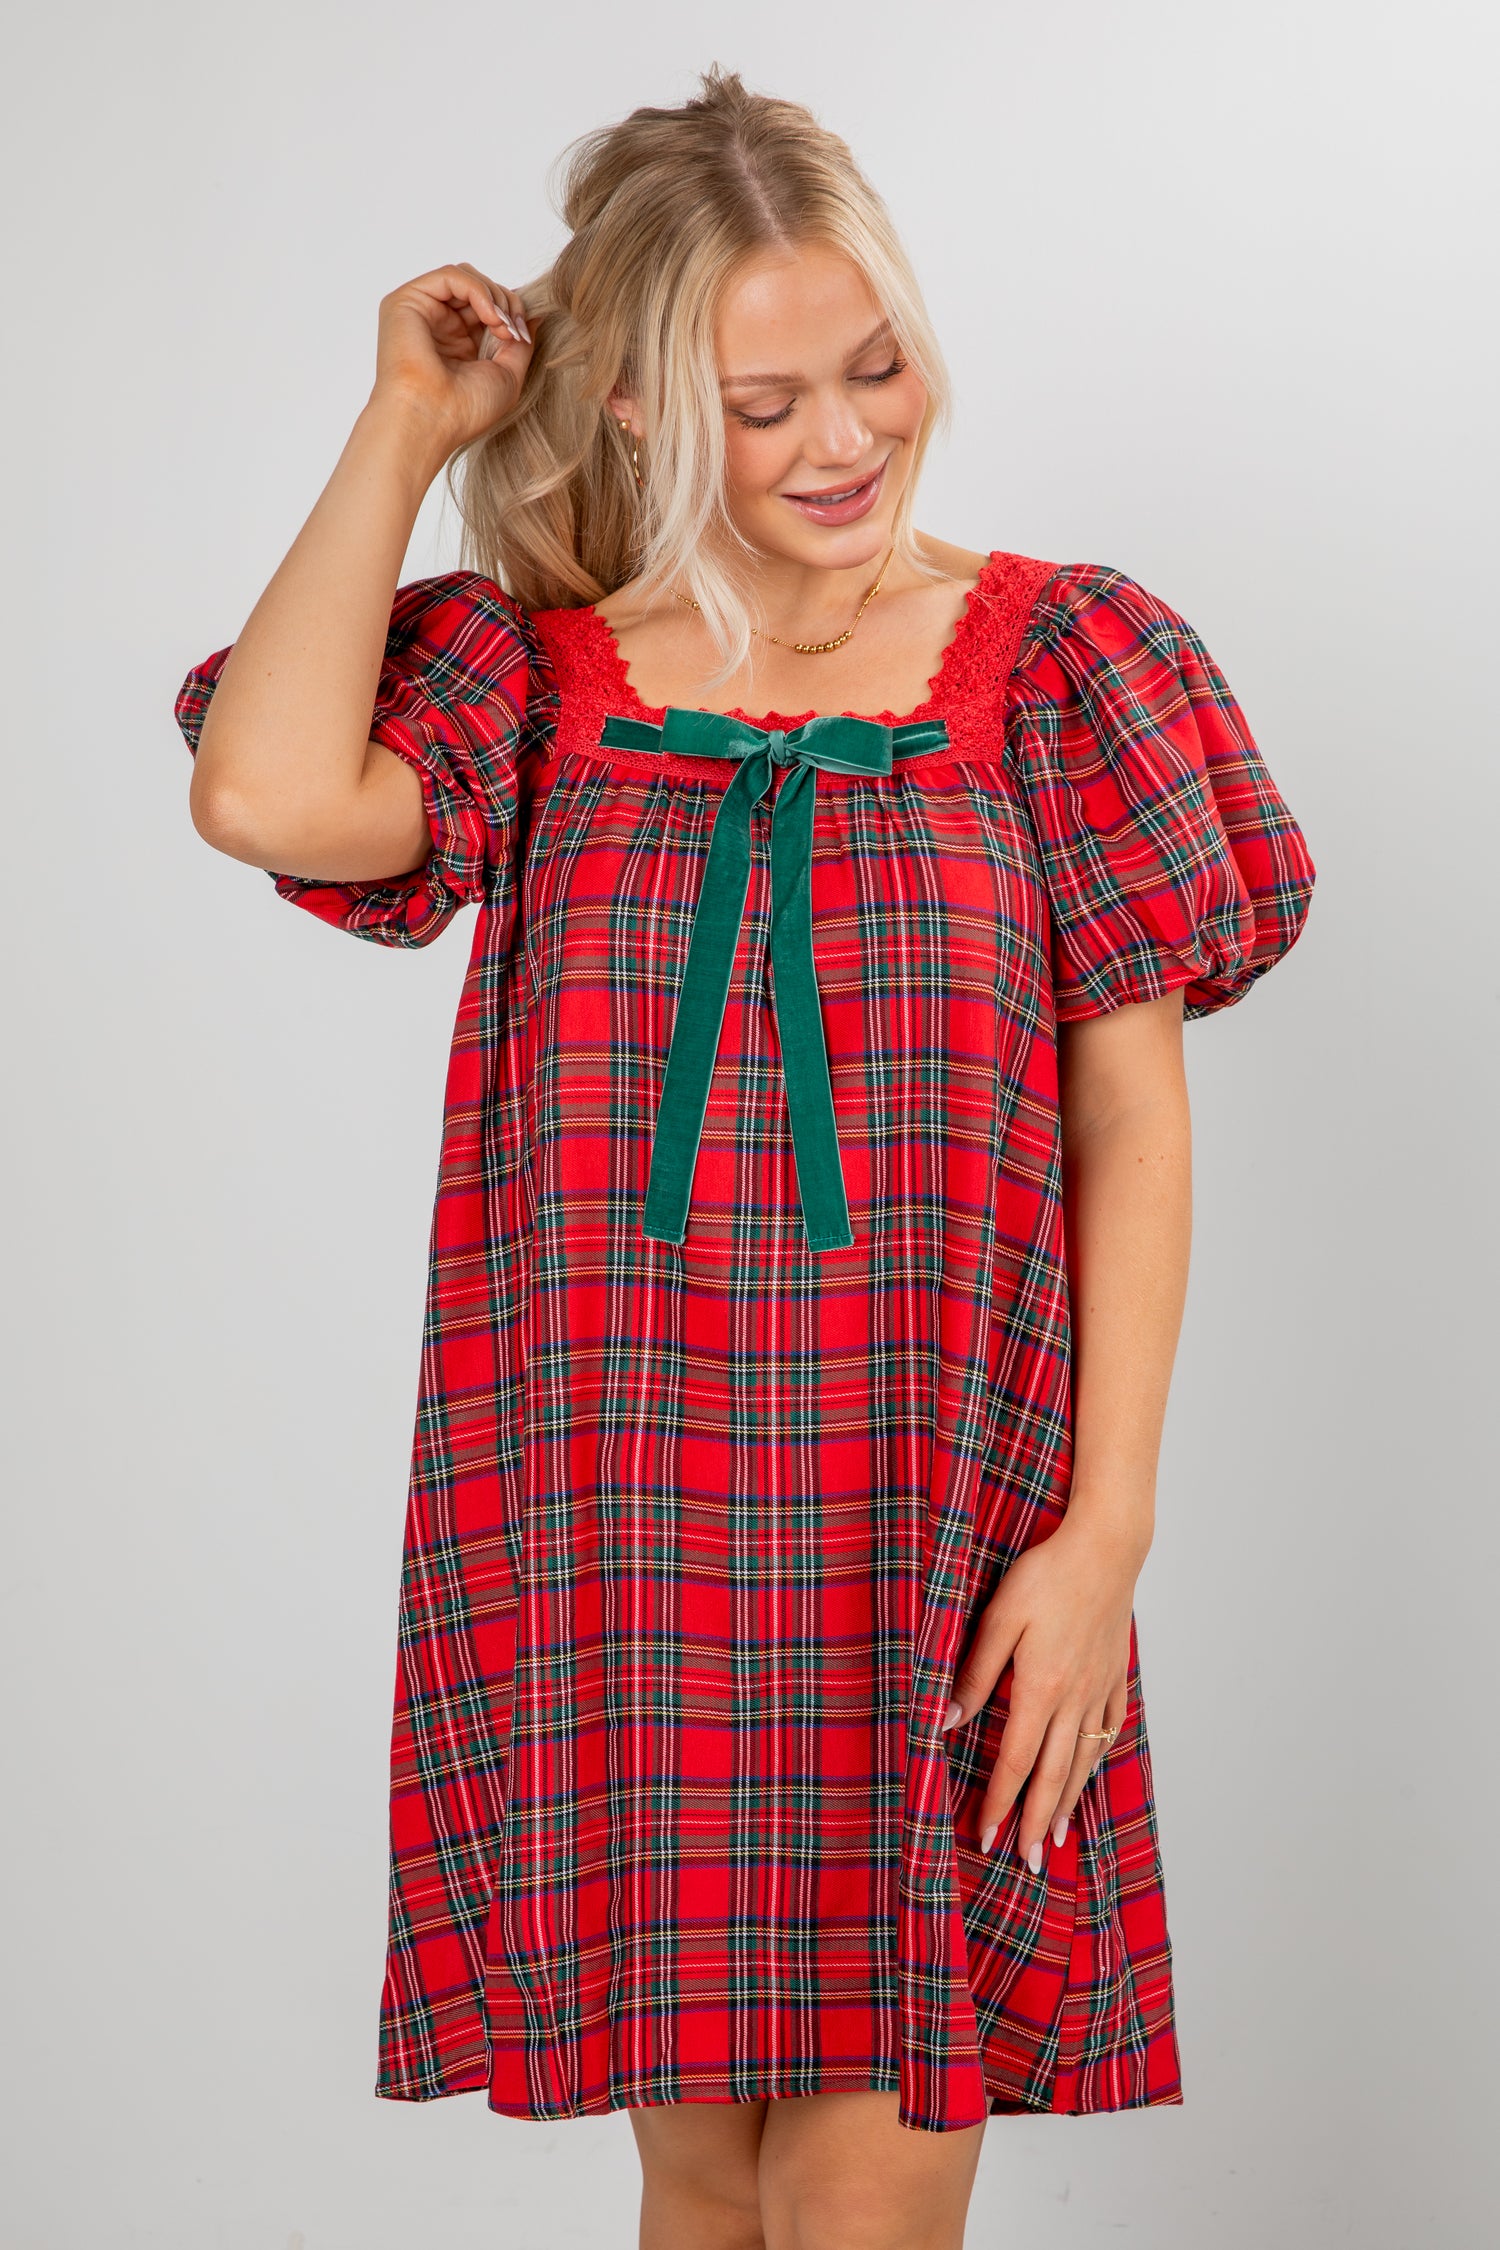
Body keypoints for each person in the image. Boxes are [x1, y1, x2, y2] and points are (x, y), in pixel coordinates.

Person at [173, 64, 1315, 2250]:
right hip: (613, 1524)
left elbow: (1129, 1115)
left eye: (874, 367)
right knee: (701, 2184)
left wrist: (1105, 1541)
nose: (845, 440)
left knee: (872, 2184)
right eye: (764, 398)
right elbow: (267, 797)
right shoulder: (536, 681)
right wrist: (407, 429)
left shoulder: (1067, 665)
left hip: (946, 1526)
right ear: (624, 405)